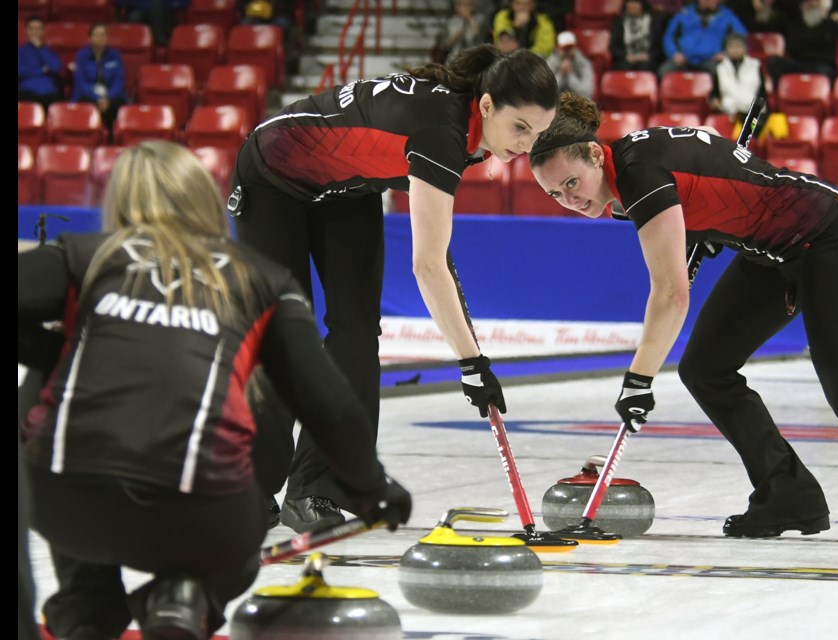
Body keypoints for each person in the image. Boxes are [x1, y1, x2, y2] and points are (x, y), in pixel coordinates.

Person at [18, 140, 413, 639]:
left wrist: (49, 352)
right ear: (209, 202)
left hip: (67, 506)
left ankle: (85, 602)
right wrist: (373, 487)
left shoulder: (84, 257)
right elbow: (331, 405)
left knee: (53, 390)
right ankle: (184, 598)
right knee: (242, 508)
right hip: (199, 514)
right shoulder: (259, 281)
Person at [527, 92, 838, 538]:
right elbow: (723, 181)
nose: (567, 200)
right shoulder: (633, 165)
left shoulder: (638, 174)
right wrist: (708, 229)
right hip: (770, 253)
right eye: (554, 193)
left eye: (571, 183)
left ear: (594, 153)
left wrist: (638, 381)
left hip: (825, 236)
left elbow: (670, 295)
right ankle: (787, 492)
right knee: (706, 369)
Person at [229, 45, 558, 534]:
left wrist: (471, 355)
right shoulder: (441, 131)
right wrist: (471, 364)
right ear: (486, 105)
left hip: (346, 187)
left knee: (358, 330)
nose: (527, 146)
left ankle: (316, 487)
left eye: (538, 134)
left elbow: (437, 250)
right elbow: (427, 265)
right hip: (272, 177)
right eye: (520, 129)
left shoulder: (462, 129)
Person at [765, 0, 838, 89]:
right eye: (807, 2)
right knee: (774, 62)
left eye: (815, 2)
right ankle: (783, 92)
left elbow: (824, 44)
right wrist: (814, 40)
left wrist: (807, 40)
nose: (811, 4)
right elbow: (793, 47)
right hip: (799, 63)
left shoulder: (832, 24)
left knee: (822, 72)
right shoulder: (796, 24)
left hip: (820, 65)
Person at [658, 0, 748, 78]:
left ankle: (714, 98)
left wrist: (726, 53)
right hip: (683, 59)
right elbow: (669, 36)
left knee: (721, 73)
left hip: (711, 61)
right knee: (664, 71)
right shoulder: (684, 14)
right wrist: (674, 53)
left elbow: (741, 38)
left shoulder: (728, 16)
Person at [72, 22, 127, 142]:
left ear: (107, 38)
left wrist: (107, 97)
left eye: (103, 35)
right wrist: (97, 98)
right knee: (86, 104)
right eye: (96, 35)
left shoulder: (115, 55)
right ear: (90, 38)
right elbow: (81, 82)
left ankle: (112, 141)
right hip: (88, 94)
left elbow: (119, 80)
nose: (100, 38)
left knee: (118, 104)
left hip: (110, 95)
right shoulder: (81, 56)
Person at [710, 31, 765, 119]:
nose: (735, 50)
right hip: (728, 113)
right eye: (732, 46)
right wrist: (714, 101)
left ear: (745, 48)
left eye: (739, 46)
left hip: (752, 115)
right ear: (726, 49)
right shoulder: (720, 68)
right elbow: (715, 93)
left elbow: (762, 92)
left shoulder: (755, 65)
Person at [18, 16, 63, 110]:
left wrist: (40, 49)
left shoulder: (49, 52)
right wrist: (42, 70)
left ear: (43, 31)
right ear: (26, 31)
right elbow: (20, 72)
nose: (34, 32)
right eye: (31, 29)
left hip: (49, 92)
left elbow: (55, 68)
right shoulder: (20, 52)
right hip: (26, 91)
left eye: (38, 29)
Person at [609, 0, 663, 73]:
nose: (632, 5)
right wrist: (626, 56)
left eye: (636, 2)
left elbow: (659, 45)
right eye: (630, 2)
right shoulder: (619, 22)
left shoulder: (654, 21)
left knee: (646, 66)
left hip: (648, 58)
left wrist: (649, 55)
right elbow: (613, 47)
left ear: (642, 5)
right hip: (626, 58)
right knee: (625, 66)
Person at [492, 0, 557, 58]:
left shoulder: (543, 21)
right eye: (518, 3)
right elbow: (503, 44)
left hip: (533, 61)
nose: (522, 8)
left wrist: (528, 27)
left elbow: (544, 49)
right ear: (512, 4)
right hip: (507, 58)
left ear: (533, 5)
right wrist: (515, 27)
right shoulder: (503, 16)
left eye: (526, 4)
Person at [547, 31, 596, 99]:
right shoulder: (550, 63)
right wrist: (560, 74)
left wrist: (570, 75)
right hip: (556, 105)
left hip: (578, 105)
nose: (568, 52)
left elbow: (587, 93)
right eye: (565, 49)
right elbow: (546, 94)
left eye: (570, 48)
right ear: (558, 49)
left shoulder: (584, 64)